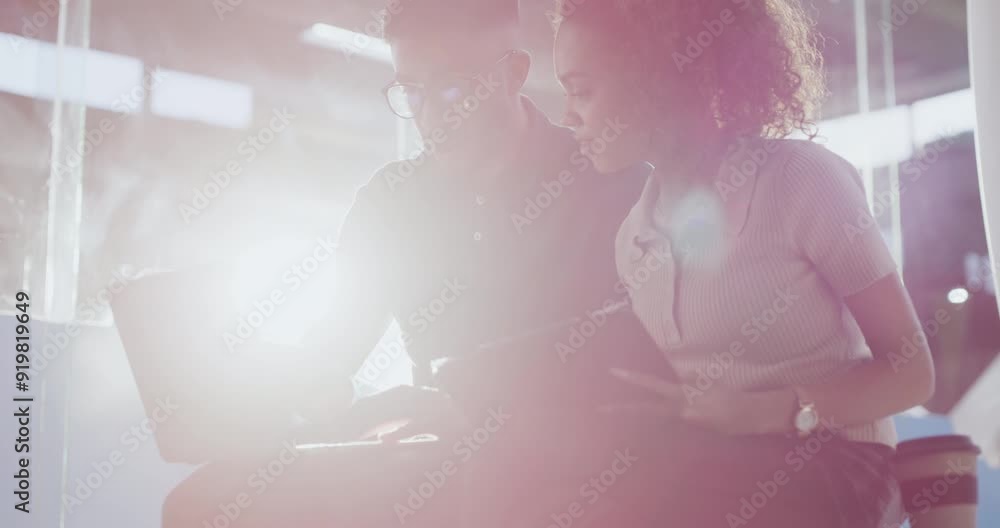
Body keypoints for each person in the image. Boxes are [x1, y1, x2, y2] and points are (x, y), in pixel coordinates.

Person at [161, 1, 671, 526]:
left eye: (452, 88)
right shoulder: (391, 203)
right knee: (203, 503)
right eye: (412, 92)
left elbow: (641, 363)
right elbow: (333, 351)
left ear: (514, 73)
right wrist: (241, 384)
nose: (431, 115)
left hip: (570, 448)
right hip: (436, 448)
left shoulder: (611, 182)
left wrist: (486, 409)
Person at [541, 0, 935, 526]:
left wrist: (780, 412)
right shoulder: (632, 236)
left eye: (581, 90)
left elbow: (912, 374)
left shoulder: (801, 181)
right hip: (705, 472)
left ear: (656, 78)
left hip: (836, 466)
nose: (567, 118)